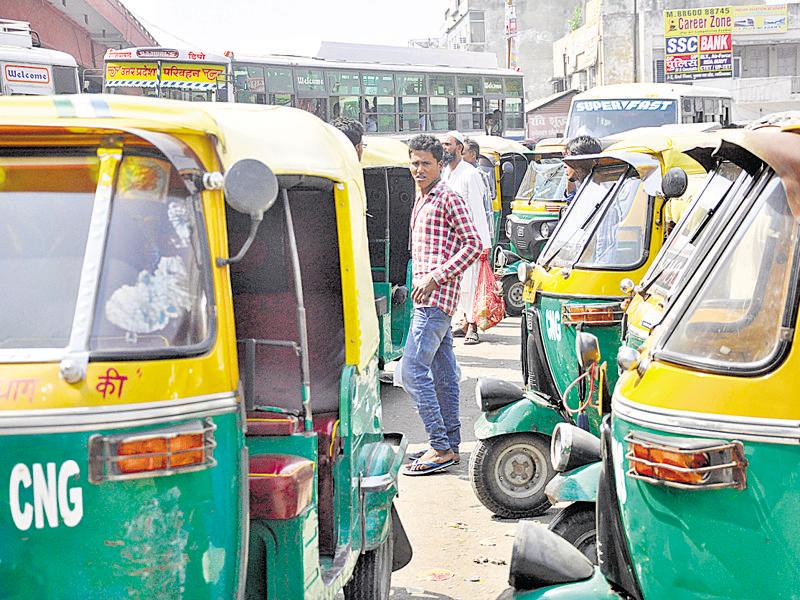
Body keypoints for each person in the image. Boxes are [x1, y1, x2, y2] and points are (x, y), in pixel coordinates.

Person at [400, 134, 482, 475]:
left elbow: (474, 244)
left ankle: (438, 446)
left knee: (411, 372)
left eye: (425, 163)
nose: (419, 169)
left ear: (439, 164)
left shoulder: (448, 196)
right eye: (414, 162)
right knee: (444, 375)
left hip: (436, 298)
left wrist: (436, 276)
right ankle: (450, 445)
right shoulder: (423, 198)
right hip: (427, 299)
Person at [441, 131, 492, 345]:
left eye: (449, 145)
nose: (445, 148)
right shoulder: (444, 173)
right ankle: (461, 321)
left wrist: (483, 243)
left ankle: (472, 326)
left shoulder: (470, 174)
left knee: (471, 284)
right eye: (443, 145)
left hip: (469, 240)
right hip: (449, 240)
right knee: (457, 285)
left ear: (460, 148)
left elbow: (478, 211)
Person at [463, 137, 495, 229]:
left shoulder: (477, 174)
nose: (459, 158)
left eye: (462, 154)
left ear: (472, 154)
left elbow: (479, 208)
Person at [563, 135, 601, 203]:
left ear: (579, 161)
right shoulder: (585, 187)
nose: (565, 165)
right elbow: (571, 195)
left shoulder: (593, 193)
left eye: (568, 159)